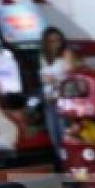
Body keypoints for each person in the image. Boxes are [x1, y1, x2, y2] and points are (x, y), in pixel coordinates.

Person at [39, 27, 78, 167]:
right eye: (51, 41)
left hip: (64, 100)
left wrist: (54, 80)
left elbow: (71, 76)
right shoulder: (44, 57)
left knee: (66, 136)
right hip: (49, 100)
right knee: (55, 137)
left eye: (57, 40)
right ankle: (64, 165)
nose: (55, 43)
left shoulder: (66, 54)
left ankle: (73, 167)